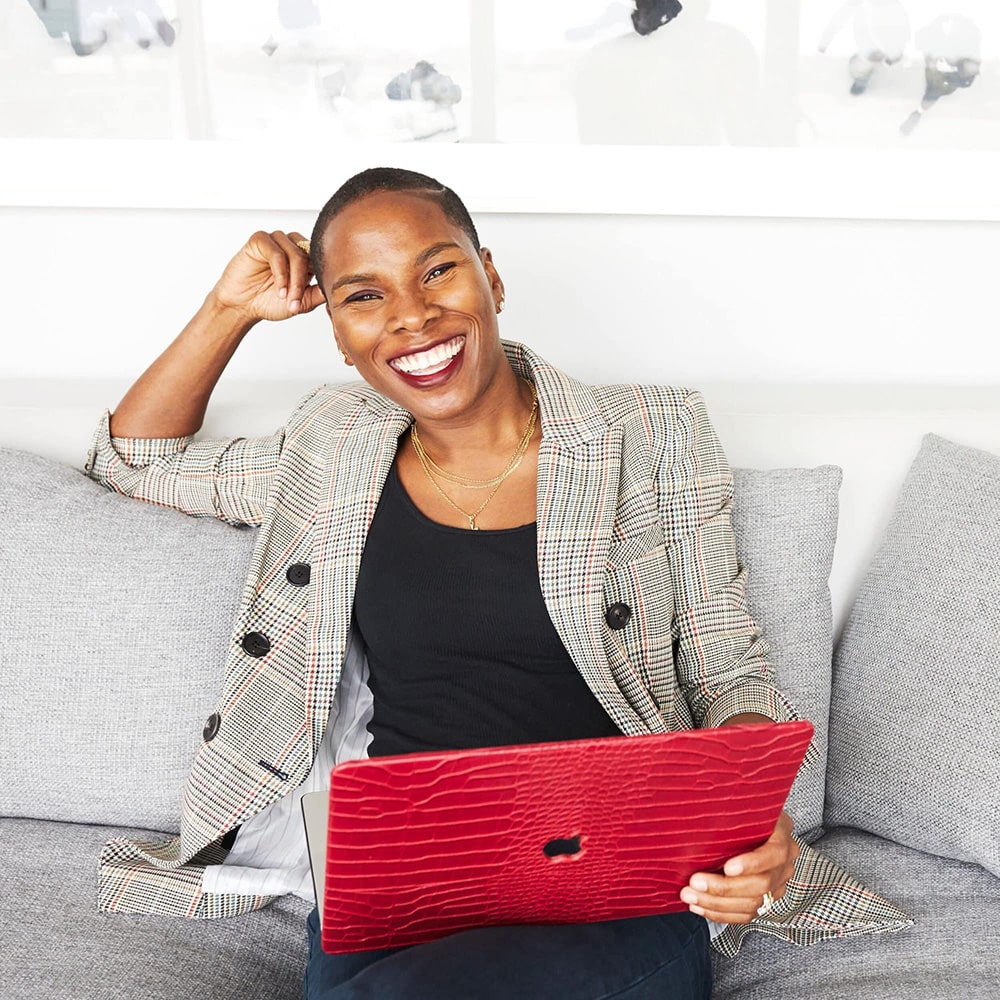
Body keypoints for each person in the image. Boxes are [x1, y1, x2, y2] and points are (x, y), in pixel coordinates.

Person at [85, 167, 903, 999]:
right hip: (402, 869)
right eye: (363, 297)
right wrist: (229, 310)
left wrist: (744, 810)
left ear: (492, 276)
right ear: (336, 332)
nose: (412, 315)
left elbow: (728, 666)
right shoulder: (332, 446)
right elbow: (134, 458)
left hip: (612, 874)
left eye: (437, 270)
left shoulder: (651, 434)